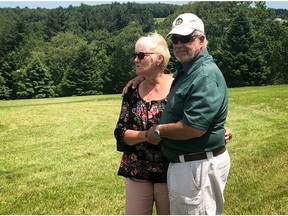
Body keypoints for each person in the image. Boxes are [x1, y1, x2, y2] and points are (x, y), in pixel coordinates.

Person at [123, 13, 232, 215]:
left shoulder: (204, 74)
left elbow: (194, 127)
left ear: (201, 40)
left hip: (196, 167)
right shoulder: (186, 72)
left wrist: (158, 132)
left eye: (186, 38)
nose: (179, 44)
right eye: (175, 39)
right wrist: (142, 77)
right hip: (184, 167)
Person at [114, 32, 173, 215]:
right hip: (137, 171)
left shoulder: (178, 86)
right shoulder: (131, 90)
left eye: (141, 55)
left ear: (159, 59)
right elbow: (121, 132)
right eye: (135, 55)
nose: (135, 60)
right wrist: (146, 136)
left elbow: (192, 120)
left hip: (171, 171)